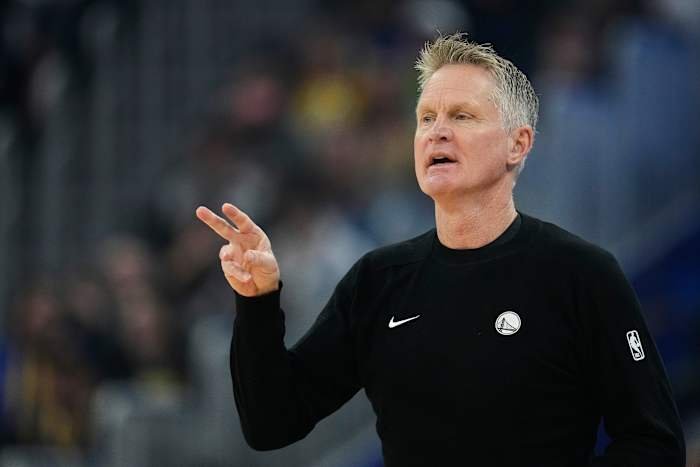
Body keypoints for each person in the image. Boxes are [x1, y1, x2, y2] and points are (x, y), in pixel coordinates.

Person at [195, 33, 685, 466]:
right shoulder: (377, 281)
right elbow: (272, 424)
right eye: (426, 117)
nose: (437, 131)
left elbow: (655, 443)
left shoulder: (582, 274)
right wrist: (257, 302)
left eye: (462, 116)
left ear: (517, 144)